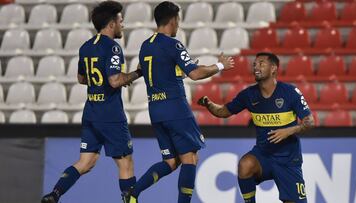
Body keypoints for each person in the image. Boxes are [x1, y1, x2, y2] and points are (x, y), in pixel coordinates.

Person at [122, 1, 234, 203]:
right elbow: (196, 73)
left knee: (171, 161)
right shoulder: (173, 44)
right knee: (190, 158)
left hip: (155, 110)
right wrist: (220, 65)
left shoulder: (145, 46)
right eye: (178, 20)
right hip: (175, 108)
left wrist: (177, 75)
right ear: (173, 20)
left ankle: (133, 192)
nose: (179, 25)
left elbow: (157, 72)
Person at [41, 1, 143, 203]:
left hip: (91, 113)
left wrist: (108, 80)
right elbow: (115, 81)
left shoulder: (86, 47)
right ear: (112, 23)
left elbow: (81, 78)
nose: (123, 25)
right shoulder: (113, 48)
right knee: (126, 163)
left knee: (85, 162)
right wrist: (137, 73)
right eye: (121, 20)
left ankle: (55, 194)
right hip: (111, 115)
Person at [198, 52, 314, 203]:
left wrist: (289, 131)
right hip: (263, 155)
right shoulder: (249, 95)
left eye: (261, 63)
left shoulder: (290, 92)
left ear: (273, 69)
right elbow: (224, 111)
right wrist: (209, 104)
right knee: (245, 165)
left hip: (288, 159)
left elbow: (309, 121)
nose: (256, 67)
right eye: (254, 64)